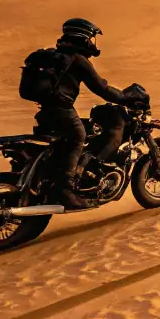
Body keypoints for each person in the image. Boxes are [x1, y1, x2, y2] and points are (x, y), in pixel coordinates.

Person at [35, 18, 138, 209]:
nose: (92, 43)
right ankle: (66, 189)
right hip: (61, 110)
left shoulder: (54, 56)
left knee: (83, 132)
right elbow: (101, 88)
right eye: (91, 38)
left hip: (46, 111)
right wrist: (125, 98)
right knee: (78, 136)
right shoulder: (77, 60)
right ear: (83, 37)